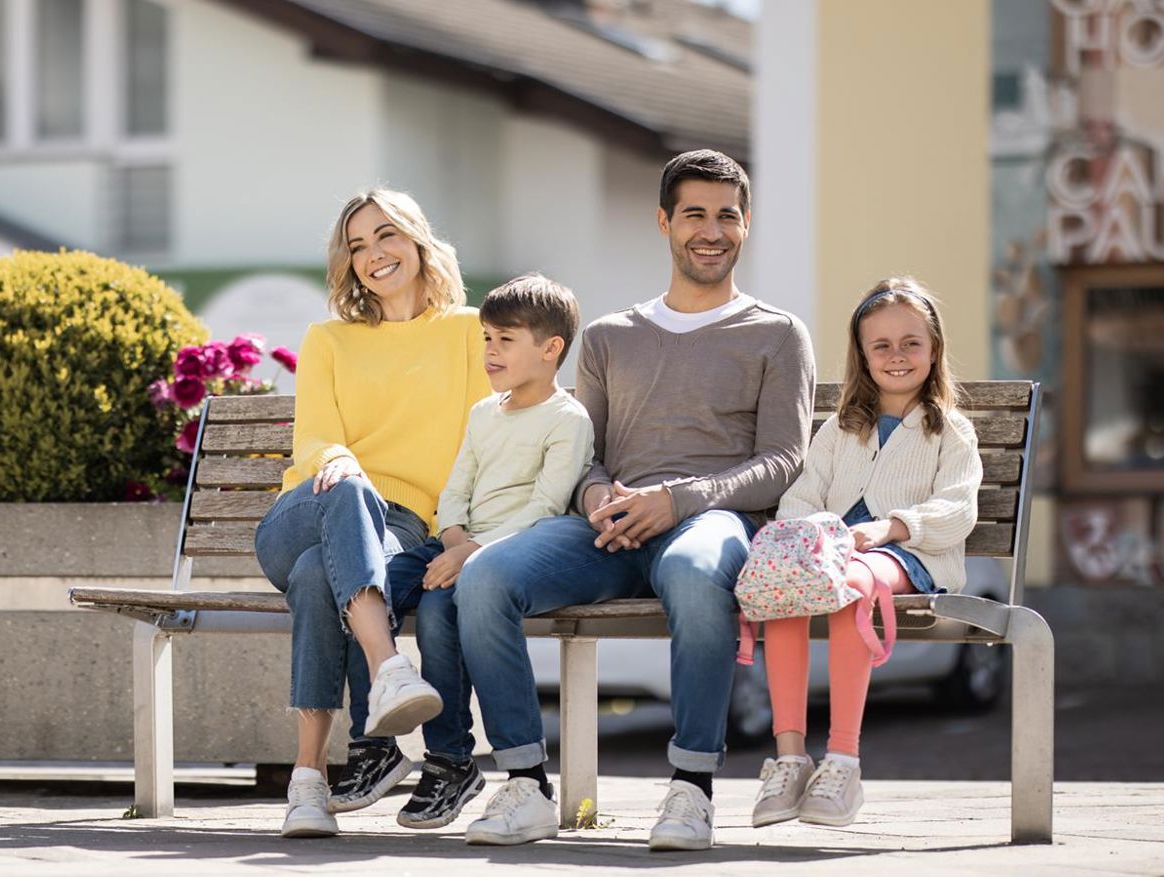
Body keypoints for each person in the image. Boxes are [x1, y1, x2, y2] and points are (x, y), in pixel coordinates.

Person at [431, 149, 816, 850]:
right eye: (694, 213)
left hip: (710, 521)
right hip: (605, 531)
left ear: (746, 224)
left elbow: (784, 460)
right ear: (664, 221)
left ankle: (690, 790)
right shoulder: (610, 336)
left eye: (727, 215)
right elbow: (587, 450)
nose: (711, 229)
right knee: (485, 576)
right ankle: (524, 783)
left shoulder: (778, 334)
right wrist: (599, 489)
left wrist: (681, 500)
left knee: (699, 577)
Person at [253, 189, 490, 839]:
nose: (373, 254)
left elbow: (483, 441)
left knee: (313, 579)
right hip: (312, 505)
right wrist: (342, 462)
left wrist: (462, 532)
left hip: (403, 524)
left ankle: (310, 780)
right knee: (347, 496)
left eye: (385, 236)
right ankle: (389, 670)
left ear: (417, 240)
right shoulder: (328, 338)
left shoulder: (468, 331)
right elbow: (314, 440)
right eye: (357, 245)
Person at [751, 276, 982, 828]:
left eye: (911, 343)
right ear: (862, 354)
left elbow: (958, 508)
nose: (896, 356)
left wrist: (890, 528)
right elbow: (801, 497)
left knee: (850, 586)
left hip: (911, 558)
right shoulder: (838, 430)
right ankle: (789, 758)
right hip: (833, 552)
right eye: (881, 345)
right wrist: (814, 535)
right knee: (790, 593)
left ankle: (844, 761)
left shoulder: (949, 431)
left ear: (934, 350)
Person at [368, 273, 595, 831]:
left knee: (443, 612)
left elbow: (545, 509)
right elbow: (455, 490)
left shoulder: (569, 420)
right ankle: (370, 743)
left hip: (505, 550)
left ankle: (450, 758)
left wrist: (472, 553)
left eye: (505, 340)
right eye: (487, 338)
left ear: (551, 349)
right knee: (370, 589)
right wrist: (451, 540)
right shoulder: (482, 412)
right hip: (451, 542)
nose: (490, 352)